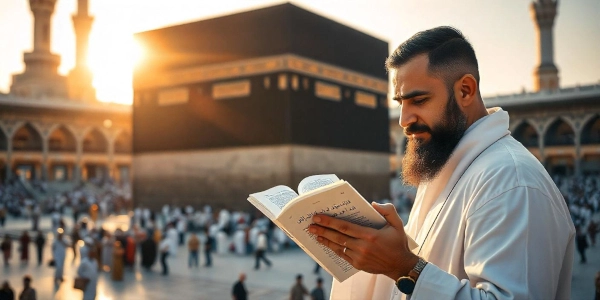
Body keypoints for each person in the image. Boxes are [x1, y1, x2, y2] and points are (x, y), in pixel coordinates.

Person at [309, 26, 575, 299]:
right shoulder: (446, 167)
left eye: (419, 100)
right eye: (401, 102)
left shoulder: (511, 181)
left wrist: (403, 266)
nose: (404, 120)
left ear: (466, 91)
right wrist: (372, 250)